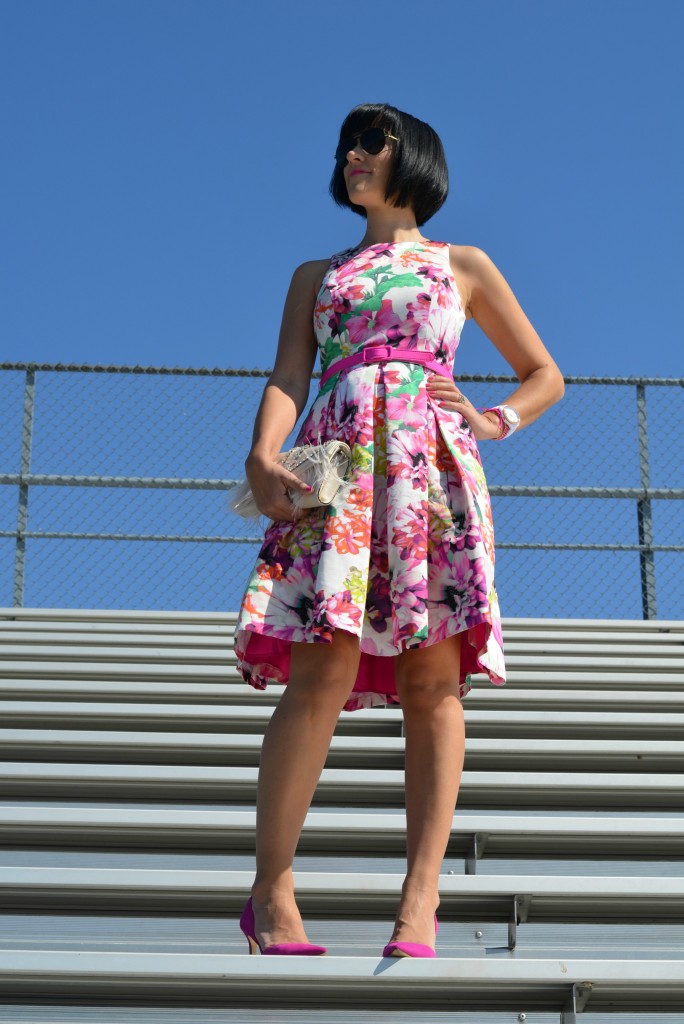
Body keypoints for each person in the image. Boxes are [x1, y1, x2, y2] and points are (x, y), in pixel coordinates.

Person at [233, 102, 565, 958]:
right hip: (337, 466)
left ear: (409, 158)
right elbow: (288, 374)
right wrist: (264, 455)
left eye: (369, 144)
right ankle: (271, 890)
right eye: (346, 145)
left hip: (432, 473)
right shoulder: (318, 273)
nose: (352, 156)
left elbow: (544, 374)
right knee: (324, 663)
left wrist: (495, 421)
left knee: (432, 680)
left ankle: (420, 900)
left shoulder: (464, 265)